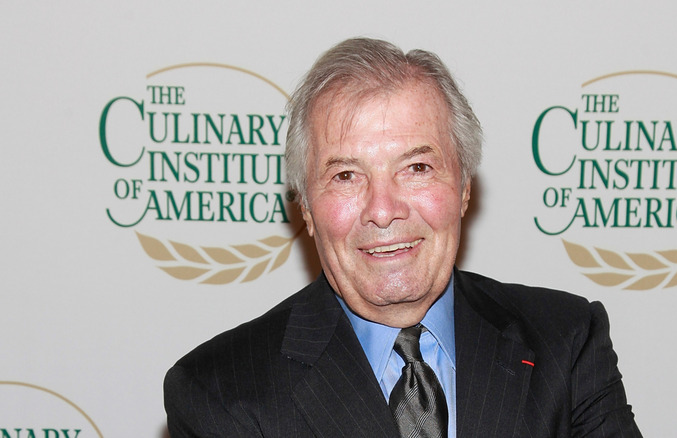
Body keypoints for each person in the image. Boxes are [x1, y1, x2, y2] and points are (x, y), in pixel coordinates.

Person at [164, 37, 642, 437]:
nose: (383, 210)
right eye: (347, 175)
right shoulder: (219, 392)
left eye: (416, 168)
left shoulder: (567, 341)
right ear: (307, 209)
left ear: (464, 189)